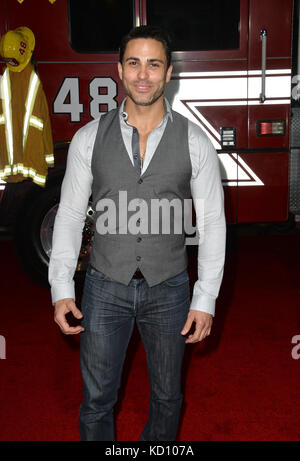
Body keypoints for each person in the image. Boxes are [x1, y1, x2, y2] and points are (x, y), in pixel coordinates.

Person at [49, 25, 226, 441]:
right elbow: (71, 215)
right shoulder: (88, 138)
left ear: (168, 74)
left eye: (154, 64)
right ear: (119, 70)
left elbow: (213, 222)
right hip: (104, 287)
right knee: (97, 400)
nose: (143, 74)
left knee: (167, 397)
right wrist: (61, 287)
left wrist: (206, 298)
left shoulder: (197, 143)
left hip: (170, 289)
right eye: (134, 63)